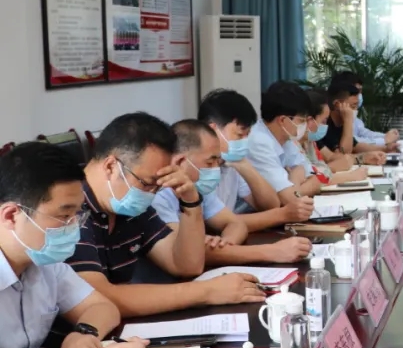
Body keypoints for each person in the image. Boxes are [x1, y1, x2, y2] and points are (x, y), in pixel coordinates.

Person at [61, 113, 264, 325]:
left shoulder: (129, 206)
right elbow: (99, 297)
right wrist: (207, 291)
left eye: (158, 185)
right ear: (111, 166)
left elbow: (186, 265)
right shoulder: (70, 211)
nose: (152, 193)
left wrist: (191, 203)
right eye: (147, 183)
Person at [0, 143, 149, 348]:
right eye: (64, 215)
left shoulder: (44, 262)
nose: (74, 228)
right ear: (12, 215)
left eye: (76, 215)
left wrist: (83, 333)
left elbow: (102, 307)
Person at [152, 120, 312, 265]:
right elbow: (190, 253)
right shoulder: (158, 197)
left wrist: (225, 245)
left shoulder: (198, 188)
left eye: (217, 161)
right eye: (210, 162)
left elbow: (236, 224)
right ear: (180, 161)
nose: (216, 168)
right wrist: (272, 251)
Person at [198, 88, 314, 231]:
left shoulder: (231, 161)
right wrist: (284, 214)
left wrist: (245, 166)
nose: (244, 141)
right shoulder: (199, 167)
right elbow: (224, 222)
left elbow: (270, 205)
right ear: (212, 130)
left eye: (247, 135)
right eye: (239, 135)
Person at [247, 81, 325, 205]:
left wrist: (293, 188)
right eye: (302, 121)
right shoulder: (259, 142)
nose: (305, 126)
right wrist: (296, 178)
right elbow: (287, 200)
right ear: (283, 120)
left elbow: (316, 181)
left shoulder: (286, 138)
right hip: (249, 213)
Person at [302, 89, 371, 185]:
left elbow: (320, 166)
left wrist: (360, 158)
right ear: (309, 120)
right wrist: (350, 176)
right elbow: (311, 177)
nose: (325, 125)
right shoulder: (296, 143)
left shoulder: (309, 142)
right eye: (324, 121)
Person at [327, 72, 400, 156]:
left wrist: (386, 149)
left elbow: (357, 146)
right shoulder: (326, 125)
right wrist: (348, 121)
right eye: (353, 106)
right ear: (337, 104)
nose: (355, 110)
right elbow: (345, 153)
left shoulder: (341, 124)